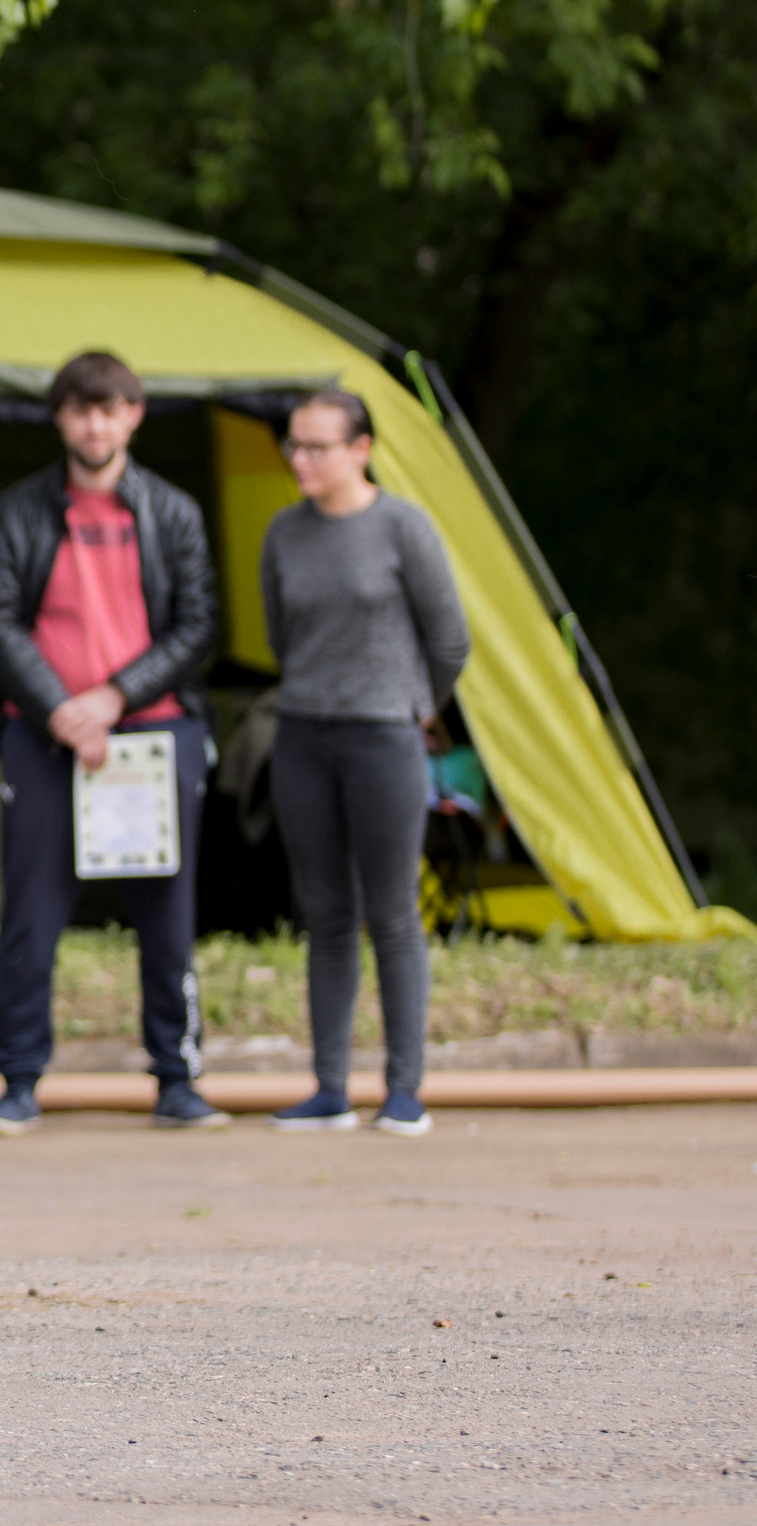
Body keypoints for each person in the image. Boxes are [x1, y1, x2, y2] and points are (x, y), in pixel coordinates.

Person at [0, 351, 224, 1135]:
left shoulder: (172, 512)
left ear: (134, 416)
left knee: (167, 918)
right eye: (81, 410)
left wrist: (114, 699)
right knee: (31, 918)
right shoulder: (19, 510)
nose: (95, 424)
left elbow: (199, 625)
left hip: (152, 739)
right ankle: (17, 1081)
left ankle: (177, 1080)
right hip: (43, 740)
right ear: (61, 419)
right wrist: (62, 711)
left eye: (110, 409)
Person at [261, 390, 469, 1138]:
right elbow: (281, 637)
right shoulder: (283, 532)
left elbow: (450, 640)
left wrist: (411, 704)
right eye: (294, 445)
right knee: (326, 915)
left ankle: (404, 1091)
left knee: (393, 911)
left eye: (317, 446)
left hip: (384, 737)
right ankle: (328, 1089)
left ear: (361, 450)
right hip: (304, 736)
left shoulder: (403, 528)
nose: (300, 460)